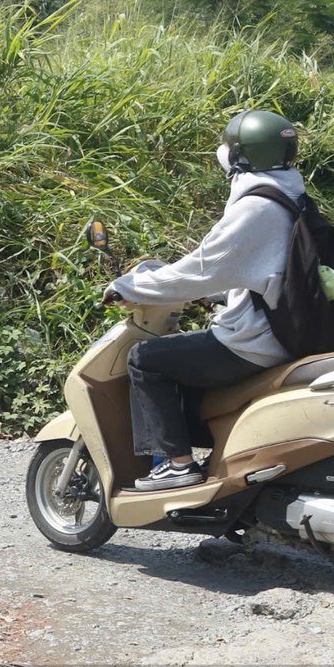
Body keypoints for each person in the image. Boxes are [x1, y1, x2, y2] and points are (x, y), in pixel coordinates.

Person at [107, 110, 307, 492]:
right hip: (287, 330)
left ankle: (177, 466)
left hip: (257, 342)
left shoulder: (256, 206)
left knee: (146, 360)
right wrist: (220, 294)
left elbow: (199, 269)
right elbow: (264, 267)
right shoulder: (289, 191)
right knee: (189, 363)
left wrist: (131, 287)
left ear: (241, 156)